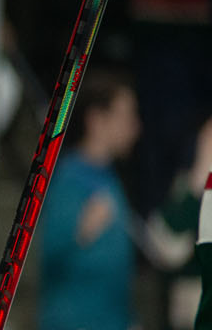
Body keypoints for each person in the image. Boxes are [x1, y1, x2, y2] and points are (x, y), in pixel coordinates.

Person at [37, 70, 140, 330]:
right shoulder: (69, 178)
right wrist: (81, 231)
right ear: (96, 119)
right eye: (125, 116)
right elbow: (47, 253)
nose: (134, 126)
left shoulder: (111, 179)